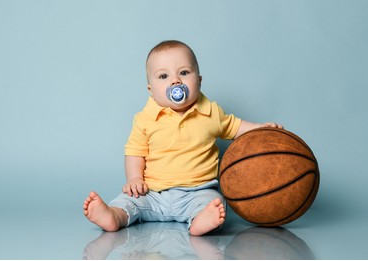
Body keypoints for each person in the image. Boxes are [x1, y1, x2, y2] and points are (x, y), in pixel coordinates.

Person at [83, 40, 283, 236]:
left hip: (197, 192)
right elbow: (135, 152)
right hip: (152, 194)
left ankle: (200, 222)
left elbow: (234, 126)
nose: (175, 81)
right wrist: (134, 179)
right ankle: (114, 216)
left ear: (199, 80)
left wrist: (260, 128)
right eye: (163, 76)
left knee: (215, 203)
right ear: (151, 91)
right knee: (128, 200)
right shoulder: (144, 119)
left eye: (184, 73)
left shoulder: (211, 112)